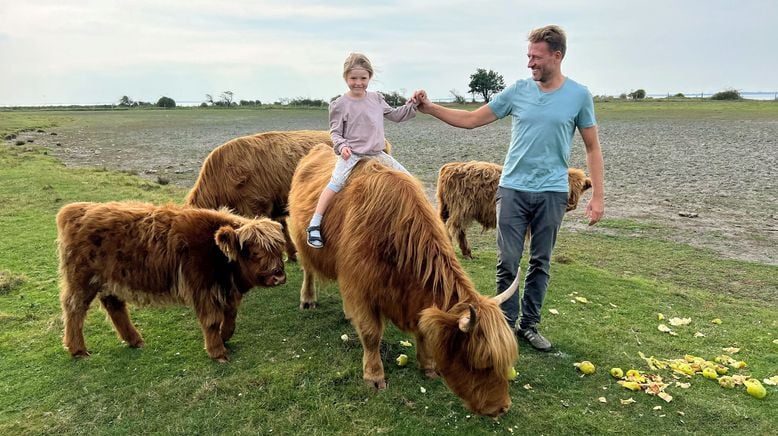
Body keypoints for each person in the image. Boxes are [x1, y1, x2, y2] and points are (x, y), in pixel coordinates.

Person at [413, 25, 605, 351]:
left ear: (557, 56)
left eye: (537, 57)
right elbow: (472, 119)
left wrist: (598, 196)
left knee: (540, 262)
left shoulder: (578, 96)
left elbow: (592, 148)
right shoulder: (518, 91)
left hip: (552, 194)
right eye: (528, 56)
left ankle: (529, 326)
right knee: (508, 261)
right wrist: (430, 108)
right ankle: (504, 323)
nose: (530, 63)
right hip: (513, 190)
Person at [307, 53, 418, 248]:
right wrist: (342, 147)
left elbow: (395, 115)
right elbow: (335, 132)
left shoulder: (376, 99)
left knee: (408, 181)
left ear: (369, 77)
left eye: (363, 78)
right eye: (353, 78)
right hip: (354, 155)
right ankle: (315, 222)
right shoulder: (340, 104)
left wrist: (413, 103)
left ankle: (418, 222)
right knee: (336, 183)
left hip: (377, 153)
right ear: (345, 78)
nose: (358, 83)